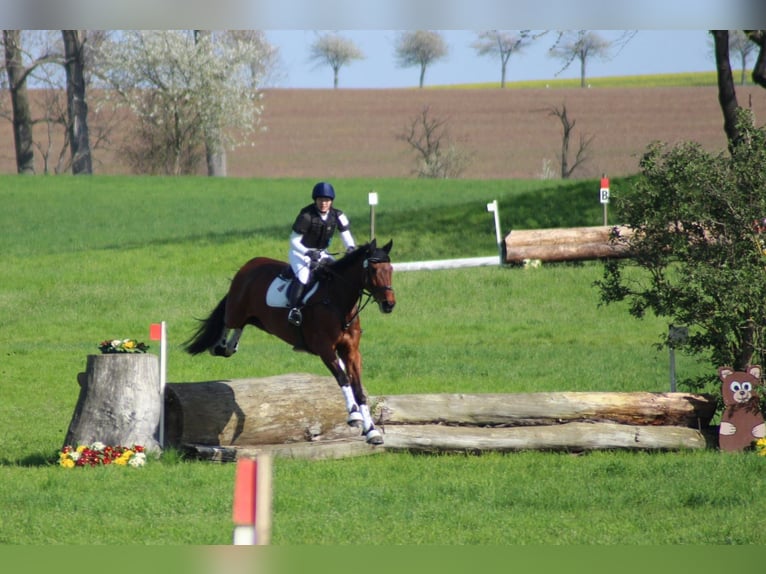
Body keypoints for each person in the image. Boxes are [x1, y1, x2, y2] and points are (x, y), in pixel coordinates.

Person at [286, 181, 356, 326]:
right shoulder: (306, 216)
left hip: (321, 253)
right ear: (315, 200)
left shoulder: (338, 215)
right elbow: (293, 240)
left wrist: (350, 247)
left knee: (335, 273)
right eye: (320, 200)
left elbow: (346, 234)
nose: (324, 203)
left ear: (331, 201)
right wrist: (307, 252)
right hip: (300, 252)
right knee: (304, 277)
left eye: (327, 200)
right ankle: (294, 310)